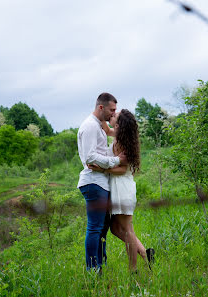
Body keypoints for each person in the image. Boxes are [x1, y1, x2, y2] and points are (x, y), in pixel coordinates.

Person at [88, 109, 154, 272]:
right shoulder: (118, 136)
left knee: (127, 230)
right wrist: (99, 110)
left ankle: (133, 269)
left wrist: (101, 170)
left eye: (115, 116)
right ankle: (146, 254)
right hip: (119, 188)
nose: (112, 115)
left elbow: (122, 170)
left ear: (119, 125)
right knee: (116, 228)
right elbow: (107, 128)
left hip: (122, 188)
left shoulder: (120, 144)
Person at [77, 92, 127, 272]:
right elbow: (90, 157)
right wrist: (115, 161)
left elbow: (100, 153)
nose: (113, 114)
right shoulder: (90, 126)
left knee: (102, 228)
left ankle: (100, 265)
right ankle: (93, 269)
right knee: (95, 227)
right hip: (93, 182)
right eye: (111, 110)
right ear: (101, 107)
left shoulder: (99, 126)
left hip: (101, 182)